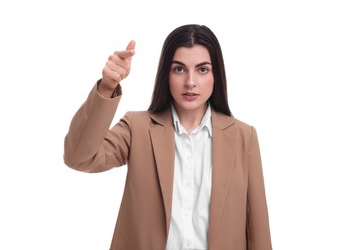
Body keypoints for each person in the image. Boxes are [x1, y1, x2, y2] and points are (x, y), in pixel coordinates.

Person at [64, 24, 272, 250]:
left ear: (216, 75)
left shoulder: (244, 137)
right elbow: (79, 158)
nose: (190, 82)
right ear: (166, 73)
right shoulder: (138, 128)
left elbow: (257, 230)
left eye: (202, 70)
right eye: (179, 69)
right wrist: (107, 87)